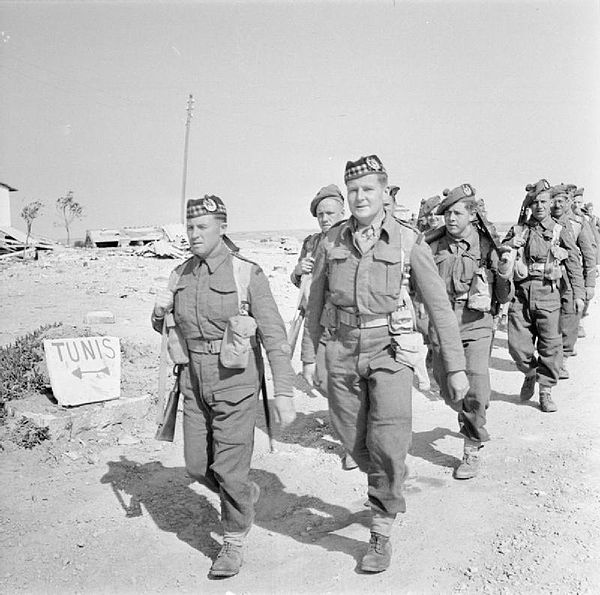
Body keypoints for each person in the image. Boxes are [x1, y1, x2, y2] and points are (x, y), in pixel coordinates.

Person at [303, 155, 468, 573]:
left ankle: (381, 525)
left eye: (368, 190)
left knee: (389, 441)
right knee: (353, 439)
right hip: (340, 348)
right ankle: (384, 478)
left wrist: (455, 366)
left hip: (389, 349)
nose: (360, 197)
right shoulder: (331, 241)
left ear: (383, 192)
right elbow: (316, 301)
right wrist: (309, 355)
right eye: (353, 190)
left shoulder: (409, 242)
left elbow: (440, 308)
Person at [151, 195, 296, 579]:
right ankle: (245, 497)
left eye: (202, 227)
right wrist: (158, 313)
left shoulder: (246, 273)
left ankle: (233, 540)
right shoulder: (180, 273)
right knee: (198, 465)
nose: (194, 234)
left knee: (229, 469)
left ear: (222, 227)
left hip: (235, 380)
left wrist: (284, 390)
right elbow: (168, 327)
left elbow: (274, 335)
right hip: (193, 380)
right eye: (190, 227)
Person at [426, 184, 512, 479]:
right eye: (447, 212)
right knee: (449, 389)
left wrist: (503, 273)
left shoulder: (487, 246)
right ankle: (464, 413)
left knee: (475, 386)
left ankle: (471, 446)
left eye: (457, 212)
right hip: (442, 324)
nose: (450, 218)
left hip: (476, 322)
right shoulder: (432, 246)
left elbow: (502, 294)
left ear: (472, 214)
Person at [502, 186, 585, 412]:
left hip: (549, 293)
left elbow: (573, 264)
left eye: (543, 202)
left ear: (550, 205)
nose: (539, 206)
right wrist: (509, 246)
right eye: (534, 202)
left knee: (551, 345)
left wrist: (579, 294)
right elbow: (500, 256)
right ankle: (530, 372)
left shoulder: (561, 230)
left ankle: (546, 390)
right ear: (529, 206)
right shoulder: (519, 230)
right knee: (517, 346)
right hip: (520, 294)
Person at [292, 185, 357, 469]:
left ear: (343, 211)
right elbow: (300, 281)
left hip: (345, 323)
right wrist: (299, 270)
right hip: (318, 321)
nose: (324, 218)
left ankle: (353, 441)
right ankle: (354, 421)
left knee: (345, 381)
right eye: (320, 214)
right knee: (320, 379)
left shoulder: (352, 237)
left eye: (330, 212)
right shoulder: (311, 242)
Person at [549, 186, 596, 378]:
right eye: (555, 201)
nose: (558, 204)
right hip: (548, 280)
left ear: (569, 202)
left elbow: (589, 254)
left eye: (562, 201)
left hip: (570, 279)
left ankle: (563, 359)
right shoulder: (543, 221)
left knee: (569, 318)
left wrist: (590, 284)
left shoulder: (578, 224)